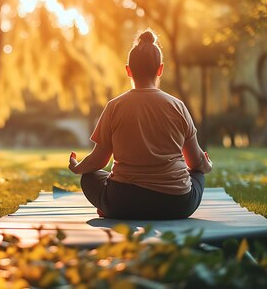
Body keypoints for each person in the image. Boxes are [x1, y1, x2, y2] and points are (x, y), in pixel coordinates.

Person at [68, 30, 212, 220]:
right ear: (160, 69)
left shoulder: (114, 107)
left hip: (123, 201)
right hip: (176, 204)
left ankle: (112, 210)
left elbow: (98, 161)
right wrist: (206, 165)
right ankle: (115, 209)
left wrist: (77, 168)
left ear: (128, 70)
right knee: (197, 173)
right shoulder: (178, 107)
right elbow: (195, 162)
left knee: (89, 178)